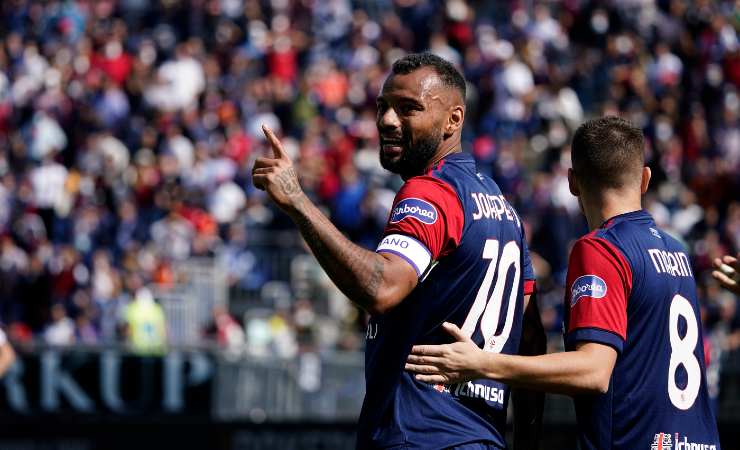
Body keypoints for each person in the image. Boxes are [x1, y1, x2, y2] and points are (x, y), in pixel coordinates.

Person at [252, 52, 544, 450]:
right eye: (383, 107)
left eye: (408, 109)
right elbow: (530, 340)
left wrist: (297, 202)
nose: (387, 120)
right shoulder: (504, 210)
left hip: (418, 435)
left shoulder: (433, 191)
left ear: (453, 120)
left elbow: (382, 287)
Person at [406, 116, 722, 450]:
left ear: (572, 182)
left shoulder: (601, 248)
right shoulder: (677, 253)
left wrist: (483, 363)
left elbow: (593, 371)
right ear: (645, 179)